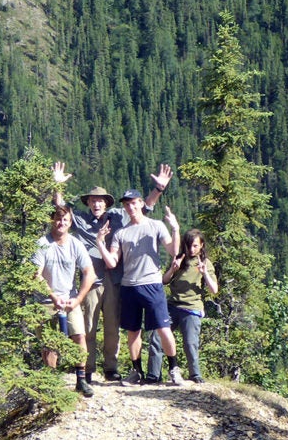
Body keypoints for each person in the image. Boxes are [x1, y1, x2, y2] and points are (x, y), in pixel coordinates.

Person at [52, 162, 173, 383]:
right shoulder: (80, 219)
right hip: (92, 281)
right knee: (88, 327)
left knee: (112, 327)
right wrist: (57, 185)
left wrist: (159, 189)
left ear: (106, 203)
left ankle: (111, 368)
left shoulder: (118, 216)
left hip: (117, 280)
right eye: (92, 200)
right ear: (88, 203)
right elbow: (61, 209)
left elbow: (143, 208)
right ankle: (87, 368)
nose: (96, 204)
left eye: (100, 200)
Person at [96, 190, 184, 386]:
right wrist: (100, 243)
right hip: (129, 286)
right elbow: (112, 262)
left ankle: (174, 369)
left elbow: (173, 250)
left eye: (134, 203)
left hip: (152, 284)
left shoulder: (156, 225)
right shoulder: (121, 233)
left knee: (163, 328)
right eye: (127, 204)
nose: (131, 207)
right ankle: (137, 372)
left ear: (142, 203)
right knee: (133, 331)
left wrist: (175, 229)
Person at [32, 205, 97, 397]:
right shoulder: (42, 244)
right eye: (58, 219)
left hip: (70, 300)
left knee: (79, 336)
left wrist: (78, 299)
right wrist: (53, 296)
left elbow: (90, 273)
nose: (61, 223)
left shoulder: (75, 244)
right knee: (49, 343)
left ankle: (81, 379)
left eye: (65, 220)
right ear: (53, 220)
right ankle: (52, 383)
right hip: (45, 300)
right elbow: (35, 274)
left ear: (70, 223)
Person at [146, 229, 218, 384]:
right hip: (172, 305)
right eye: (189, 245)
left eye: (195, 246)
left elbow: (214, 289)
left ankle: (195, 374)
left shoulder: (205, 263)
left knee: (190, 342)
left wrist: (204, 273)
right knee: (157, 338)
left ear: (201, 245)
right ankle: (153, 374)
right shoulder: (179, 258)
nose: (191, 249)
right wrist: (173, 269)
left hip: (192, 307)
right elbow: (164, 281)